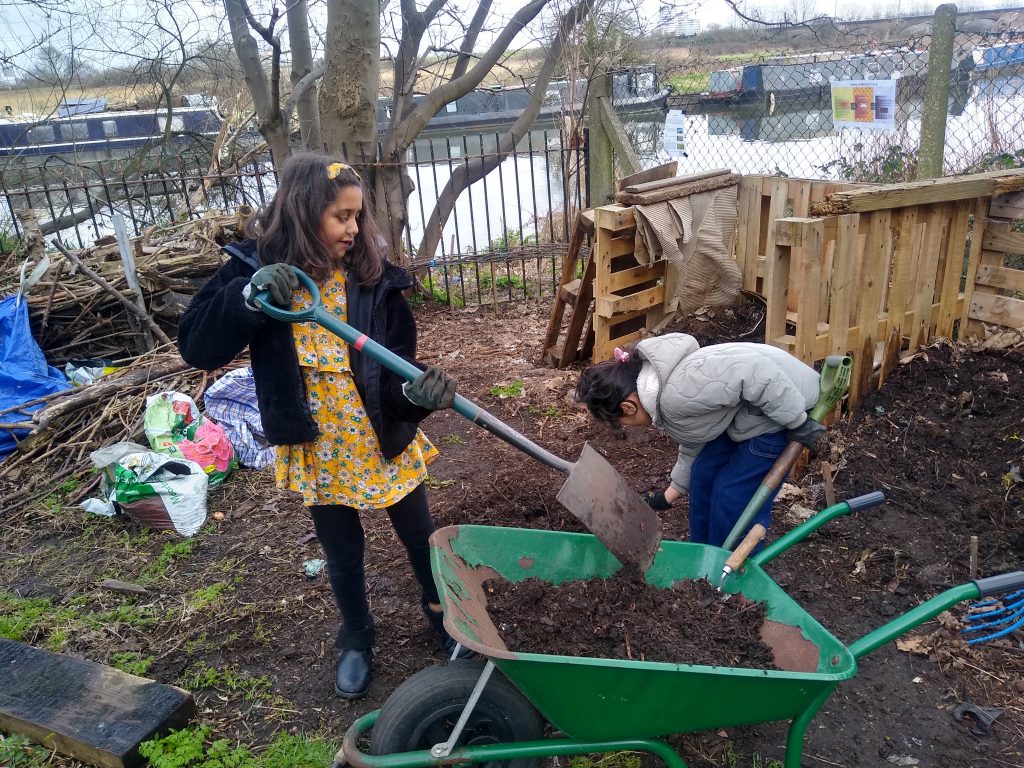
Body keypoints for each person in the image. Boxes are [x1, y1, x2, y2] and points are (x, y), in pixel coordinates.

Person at [178, 152, 468, 701]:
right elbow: (197, 346)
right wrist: (250, 298)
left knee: (417, 533)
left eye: (359, 217)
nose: (355, 229)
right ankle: (356, 636)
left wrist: (414, 398)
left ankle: (442, 613)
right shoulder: (253, 271)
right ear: (305, 212)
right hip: (319, 443)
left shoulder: (371, 279)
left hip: (381, 433)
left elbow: (395, 367)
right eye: (342, 217)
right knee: (341, 549)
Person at [575, 334, 825, 548]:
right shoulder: (659, 393)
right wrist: (668, 496)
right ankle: (703, 559)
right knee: (703, 474)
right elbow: (694, 436)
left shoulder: (678, 392)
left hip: (784, 405)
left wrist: (798, 421)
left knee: (731, 494)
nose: (626, 427)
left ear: (628, 407)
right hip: (752, 411)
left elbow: (756, 373)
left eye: (621, 422)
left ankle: (735, 570)